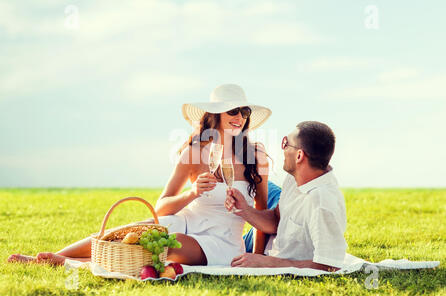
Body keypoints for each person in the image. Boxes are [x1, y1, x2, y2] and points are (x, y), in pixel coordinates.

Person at [7, 84, 272, 267]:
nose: (240, 117)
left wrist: (258, 258)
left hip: (221, 242)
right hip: (184, 223)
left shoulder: (256, 156)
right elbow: (162, 206)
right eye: (233, 111)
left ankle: (73, 263)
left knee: (164, 243)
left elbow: (261, 211)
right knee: (129, 232)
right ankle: (52, 257)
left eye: (244, 112)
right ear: (216, 114)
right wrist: (192, 193)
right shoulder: (193, 153)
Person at [226, 121, 348, 272]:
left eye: (286, 143)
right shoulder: (294, 177)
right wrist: (244, 210)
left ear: (299, 156)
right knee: (257, 181)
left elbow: (329, 264)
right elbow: (277, 219)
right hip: (274, 241)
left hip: (273, 252)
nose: (282, 149)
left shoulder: (321, 203)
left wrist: (267, 262)